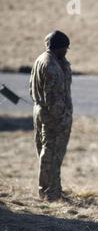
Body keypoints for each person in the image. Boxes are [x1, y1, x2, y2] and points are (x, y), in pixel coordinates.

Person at [29, 30, 72, 200]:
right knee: (52, 154)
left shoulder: (42, 59)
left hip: (40, 111)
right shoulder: (52, 66)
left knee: (46, 152)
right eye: (65, 49)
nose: (66, 52)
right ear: (59, 48)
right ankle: (50, 194)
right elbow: (53, 98)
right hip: (53, 117)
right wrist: (61, 118)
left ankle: (51, 189)